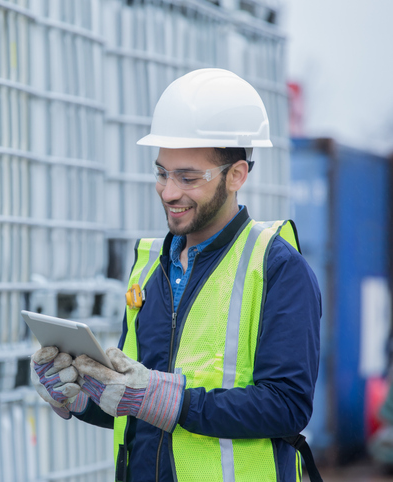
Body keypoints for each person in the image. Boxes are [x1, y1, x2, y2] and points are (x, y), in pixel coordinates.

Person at [31, 68, 321, 482]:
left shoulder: (277, 267)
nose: (168, 191)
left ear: (236, 175)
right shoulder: (150, 266)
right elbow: (135, 405)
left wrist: (167, 400)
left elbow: (286, 405)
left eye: (187, 177)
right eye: (162, 173)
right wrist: (80, 394)